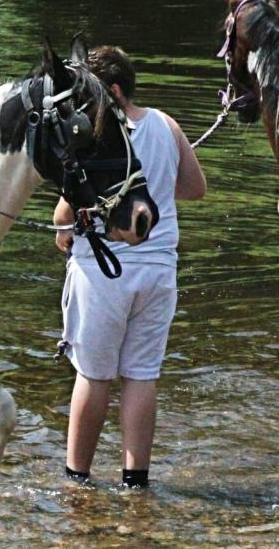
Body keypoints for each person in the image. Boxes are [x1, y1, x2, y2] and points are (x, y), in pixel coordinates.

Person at [53, 45, 206, 488]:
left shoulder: (98, 134)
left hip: (106, 274)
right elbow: (195, 189)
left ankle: (75, 478)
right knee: (141, 375)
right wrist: (157, 182)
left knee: (94, 375)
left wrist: (65, 227)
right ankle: (135, 481)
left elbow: (64, 216)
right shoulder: (166, 124)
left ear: (113, 92)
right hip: (159, 272)